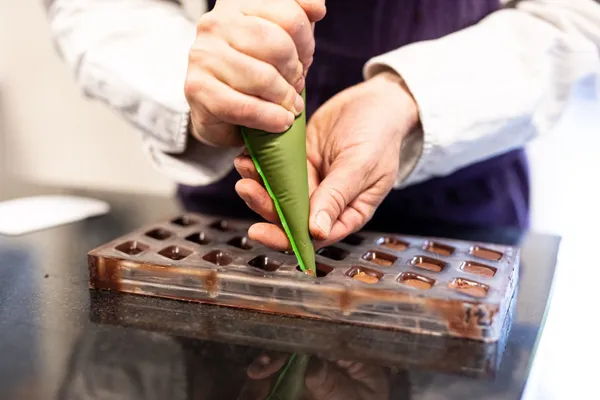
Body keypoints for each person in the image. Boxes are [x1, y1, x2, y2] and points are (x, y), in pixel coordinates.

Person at [45, 0, 600, 249]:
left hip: (464, 217)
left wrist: (407, 98)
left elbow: (578, 15)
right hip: (233, 208)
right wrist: (203, 92)